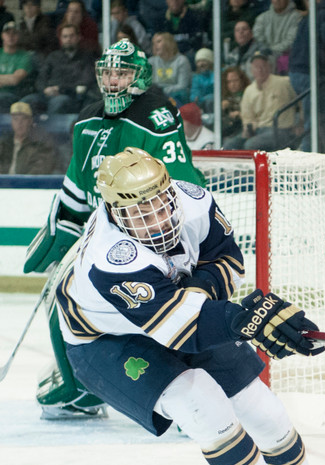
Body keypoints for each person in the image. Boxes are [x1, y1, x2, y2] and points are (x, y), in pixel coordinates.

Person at [55, 147, 325, 465]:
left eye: (160, 206)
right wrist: (242, 319)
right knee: (197, 401)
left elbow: (225, 257)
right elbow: (180, 330)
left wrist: (214, 303)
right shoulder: (112, 259)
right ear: (115, 212)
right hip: (106, 341)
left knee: (261, 407)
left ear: (169, 192)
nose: (157, 221)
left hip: (176, 311)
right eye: (141, 215)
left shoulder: (194, 200)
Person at [21, 39, 205, 421]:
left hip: (150, 235)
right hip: (102, 238)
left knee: (169, 308)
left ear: (139, 76)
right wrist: (60, 227)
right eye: (107, 72)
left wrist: (180, 238)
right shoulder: (88, 120)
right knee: (65, 302)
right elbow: (76, 187)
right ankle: (83, 388)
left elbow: (180, 182)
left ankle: (202, 383)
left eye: (121, 73)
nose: (113, 80)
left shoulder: (155, 115)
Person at [224, 50, 297, 151]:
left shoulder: (284, 83)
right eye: (256, 67)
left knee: (250, 145)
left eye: (263, 66)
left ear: (269, 67)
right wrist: (248, 129)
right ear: (251, 70)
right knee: (229, 145)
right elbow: (248, 118)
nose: (260, 69)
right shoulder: (249, 91)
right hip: (258, 131)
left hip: (281, 130)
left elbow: (302, 102)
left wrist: (300, 123)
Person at [23, 24, 98, 115]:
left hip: (71, 97)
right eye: (65, 36)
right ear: (61, 39)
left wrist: (60, 89)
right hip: (47, 95)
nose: (68, 39)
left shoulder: (86, 57)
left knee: (59, 101)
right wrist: (44, 89)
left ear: (78, 37)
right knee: (27, 101)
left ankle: (49, 128)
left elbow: (86, 81)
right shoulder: (53, 56)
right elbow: (41, 78)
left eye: (71, 36)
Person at [0, 101, 61, 174]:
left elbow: (38, 172)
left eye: (24, 119)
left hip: (26, 185)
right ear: (11, 122)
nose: (19, 123)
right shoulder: (3, 144)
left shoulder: (40, 144)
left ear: (30, 121)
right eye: (15, 119)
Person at [149, 32, 193, 105]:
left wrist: (162, 91)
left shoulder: (181, 61)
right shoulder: (151, 62)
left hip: (176, 97)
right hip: (156, 95)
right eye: (153, 43)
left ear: (169, 43)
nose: (155, 45)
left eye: (159, 41)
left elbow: (182, 86)